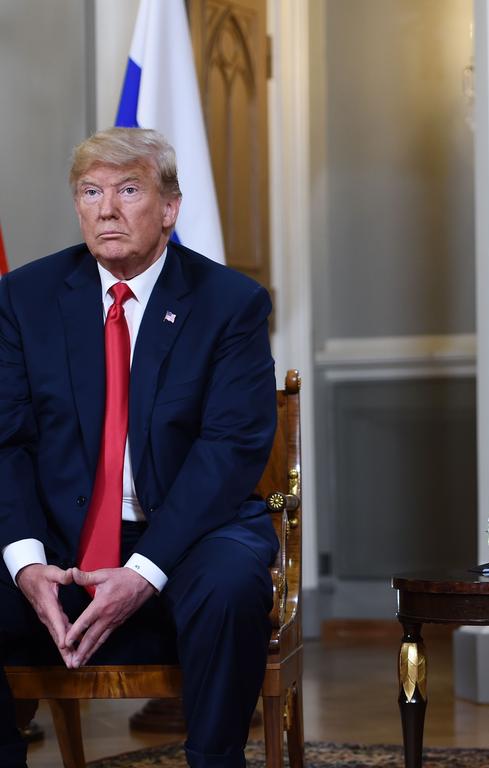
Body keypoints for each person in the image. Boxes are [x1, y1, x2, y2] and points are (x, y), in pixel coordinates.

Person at [0, 127, 278, 768]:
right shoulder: (26, 298)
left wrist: (145, 570)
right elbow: (6, 441)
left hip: (188, 536)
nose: (106, 209)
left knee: (232, 583)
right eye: (90, 191)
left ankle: (215, 760)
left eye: (128, 190)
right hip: (62, 539)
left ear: (170, 208)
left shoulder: (229, 304)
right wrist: (25, 561)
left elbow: (229, 451)